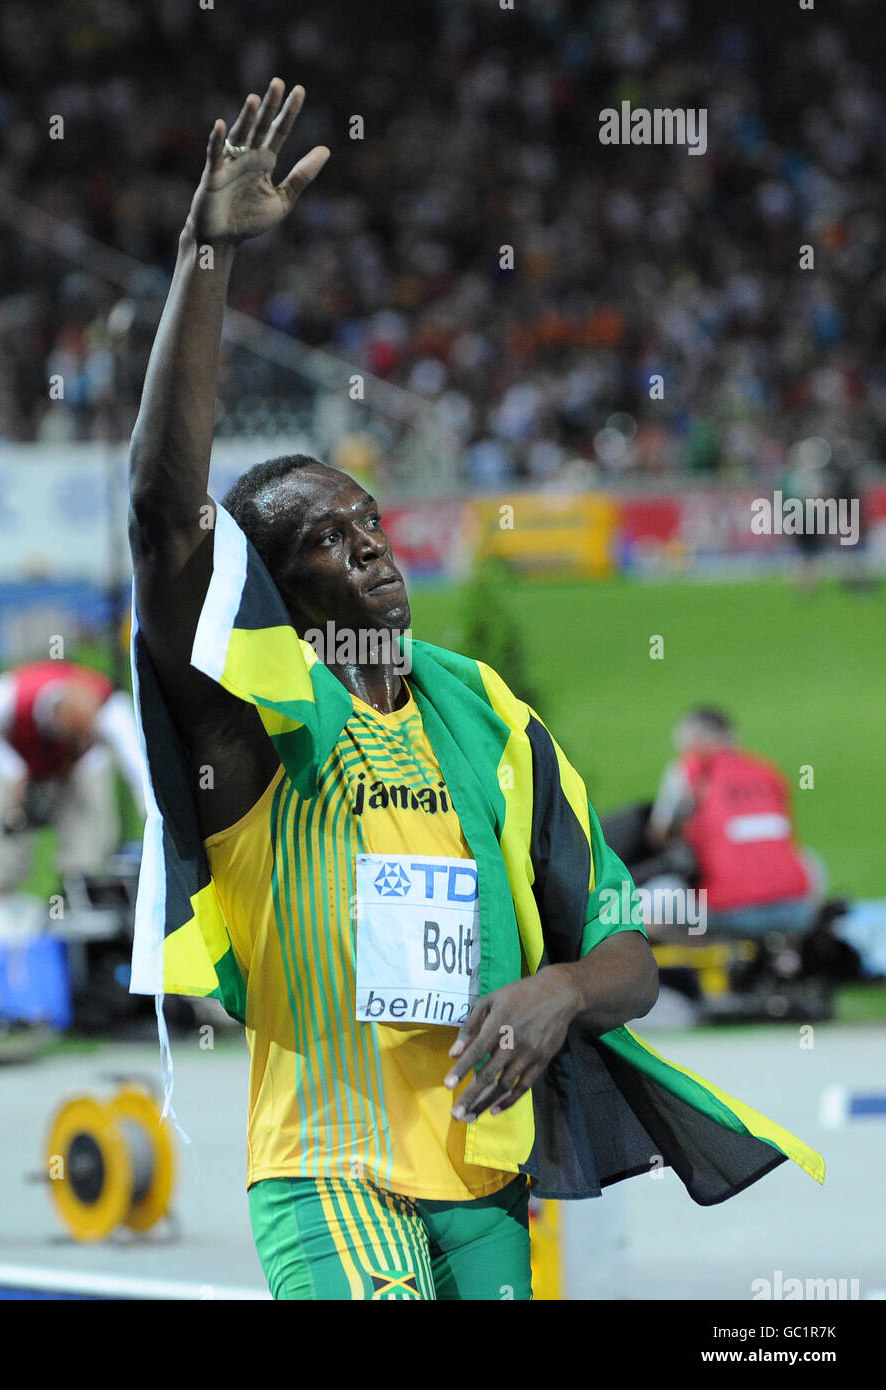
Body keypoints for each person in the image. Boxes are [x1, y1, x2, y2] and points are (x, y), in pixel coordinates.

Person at [126, 80, 823, 1301]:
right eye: (330, 547)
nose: (374, 551)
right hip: (331, 1173)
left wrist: (559, 990)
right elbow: (159, 510)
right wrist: (206, 256)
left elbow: (627, 955)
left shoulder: (487, 714)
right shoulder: (257, 720)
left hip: (489, 1176)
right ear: (277, 601)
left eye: (372, 523)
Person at [0, 660, 146, 901]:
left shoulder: (111, 711)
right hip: (18, 758)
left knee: (88, 832)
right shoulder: (12, 695)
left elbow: (137, 767)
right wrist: (13, 769)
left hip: (79, 770)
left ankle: (78, 896)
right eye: (75, 736)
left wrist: (153, 817)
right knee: (3, 847)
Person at [647, 708, 820, 937]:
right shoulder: (767, 772)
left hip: (727, 913)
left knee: (652, 898)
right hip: (796, 912)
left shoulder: (689, 771)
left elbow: (660, 835)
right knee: (809, 860)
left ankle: (692, 962)